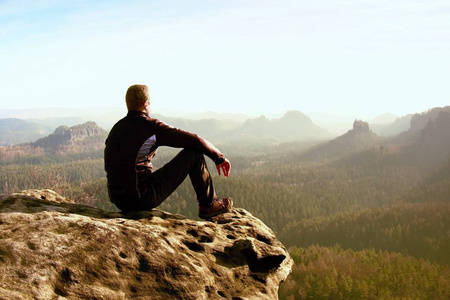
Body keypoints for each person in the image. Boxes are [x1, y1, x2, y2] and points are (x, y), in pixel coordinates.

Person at [104, 84, 232, 219]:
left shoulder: (116, 128)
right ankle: (209, 205)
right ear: (146, 103)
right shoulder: (151, 127)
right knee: (194, 154)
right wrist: (219, 158)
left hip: (118, 199)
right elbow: (195, 140)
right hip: (142, 197)